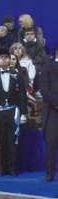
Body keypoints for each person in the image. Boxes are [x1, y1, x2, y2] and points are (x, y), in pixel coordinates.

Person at [0, 48, 27, 176]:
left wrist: (23, 113)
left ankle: (12, 167)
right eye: (1, 57)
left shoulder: (17, 74)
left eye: (6, 57)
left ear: (10, 59)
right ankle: (1, 167)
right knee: (0, 140)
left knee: (12, 140)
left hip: (13, 111)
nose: (4, 59)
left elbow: (22, 95)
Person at [41, 48, 58, 181]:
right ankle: (50, 172)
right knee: (51, 143)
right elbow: (44, 89)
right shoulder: (47, 66)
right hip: (52, 111)